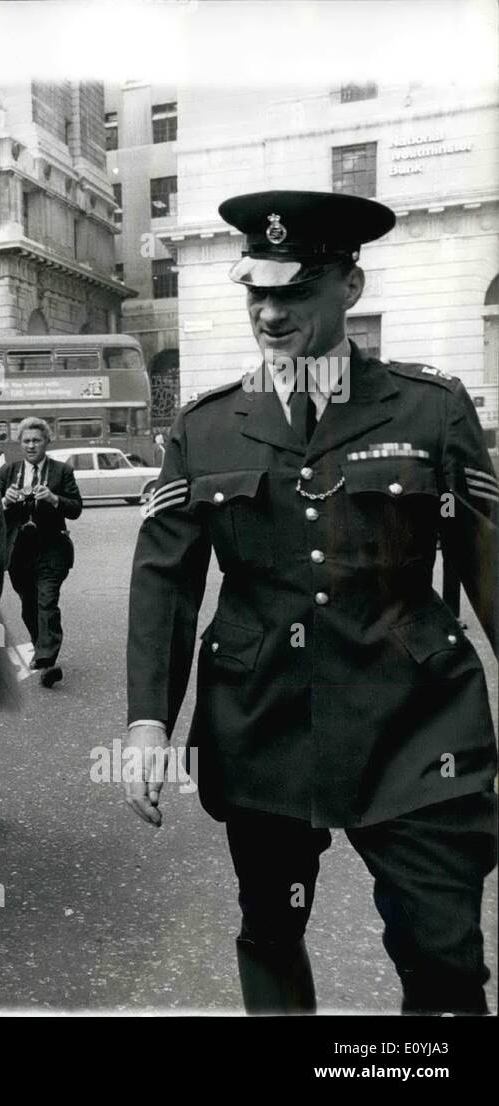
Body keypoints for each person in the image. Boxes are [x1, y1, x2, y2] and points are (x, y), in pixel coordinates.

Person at [123, 190, 499, 1016]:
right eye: (258, 292)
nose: (271, 311)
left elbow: (489, 564)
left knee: (444, 960)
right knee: (271, 930)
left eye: (294, 291)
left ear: (348, 289)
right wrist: (149, 720)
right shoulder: (207, 427)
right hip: (263, 726)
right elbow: (167, 579)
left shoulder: (431, 409)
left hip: (416, 728)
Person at [0, 418, 82, 687]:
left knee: (47, 601)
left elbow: (76, 508)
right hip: (19, 551)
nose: (31, 445)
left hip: (52, 548)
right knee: (28, 604)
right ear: (20, 443)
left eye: (36, 440)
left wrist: (54, 499)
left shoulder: (61, 472)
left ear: (46, 442)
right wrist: (4, 502)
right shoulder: (9, 472)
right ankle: (40, 647)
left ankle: (46, 659)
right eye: (26, 441)